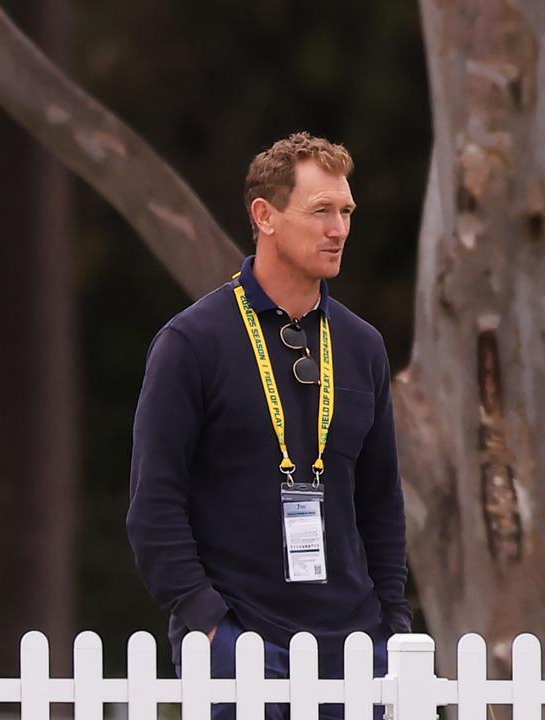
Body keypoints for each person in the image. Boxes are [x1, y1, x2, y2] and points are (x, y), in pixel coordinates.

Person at [127, 132, 409, 719]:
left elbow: (380, 502)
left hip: (355, 650)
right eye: (321, 211)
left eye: (347, 212)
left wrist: (393, 625)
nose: (339, 229)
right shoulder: (192, 342)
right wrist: (206, 623)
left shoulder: (362, 346)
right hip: (239, 642)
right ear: (265, 216)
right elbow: (154, 504)